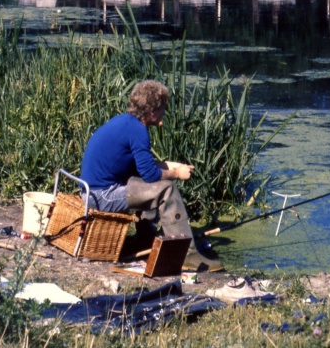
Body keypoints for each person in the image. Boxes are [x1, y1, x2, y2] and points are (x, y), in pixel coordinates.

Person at [80, 80, 223, 272]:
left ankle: (145, 243)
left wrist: (172, 166)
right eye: (163, 108)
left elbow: (141, 167)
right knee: (166, 189)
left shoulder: (126, 123)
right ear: (152, 111)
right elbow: (150, 174)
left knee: (152, 186)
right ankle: (186, 256)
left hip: (93, 191)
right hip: (101, 196)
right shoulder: (138, 130)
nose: (164, 113)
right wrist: (177, 175)